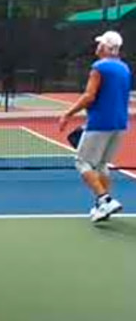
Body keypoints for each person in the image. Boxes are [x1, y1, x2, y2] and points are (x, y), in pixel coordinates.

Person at [59, 30, 130, 223]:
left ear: (106, 47)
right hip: (120, 124)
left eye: (100, 44)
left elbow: (89, 96)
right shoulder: (124, 68)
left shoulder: (99, 67)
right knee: (101, 165)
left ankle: (104, 199)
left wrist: (68, 114)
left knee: (82, 163)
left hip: (100, 123)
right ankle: (102, 207)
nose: (97, 47)